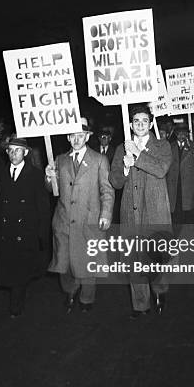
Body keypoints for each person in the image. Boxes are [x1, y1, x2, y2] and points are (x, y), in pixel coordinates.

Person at [109, 105, 172, 318]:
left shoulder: (162, 145)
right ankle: (140, 304)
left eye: (145, 121)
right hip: (130, 212)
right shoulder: (121, 148)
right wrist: (125, 168)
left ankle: (160, 291)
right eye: (136, 121)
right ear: (130, 124)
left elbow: (161, 169)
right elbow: (115, 182)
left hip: (155, 211)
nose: (141, 125)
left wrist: (138, 154)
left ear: (151, 122)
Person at [46, 117, 114, 313]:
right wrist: (48, 176)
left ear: (87, 137)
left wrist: (106, 214)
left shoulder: (99, 160)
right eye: (73, 135)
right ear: (68, 137)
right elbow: (52, 190)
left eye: (80, 135)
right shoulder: (59, 159)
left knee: (88, 262)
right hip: (64, 220)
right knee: (64, 263)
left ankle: (86, 298)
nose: (76, 139)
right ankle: (70, 292)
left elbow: (107, 190)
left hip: (88, 220)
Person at [0, 137, 50, 318]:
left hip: (26, 230)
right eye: (10, 150)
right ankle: (15, 297)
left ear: (25, 152)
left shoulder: (35, 174)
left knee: (20, 270)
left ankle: (16, 304)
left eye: (17, 150)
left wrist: (42, 234)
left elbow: (42, 206)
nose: (13, 154)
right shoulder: (1, 173)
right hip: (6, 229)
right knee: (9, 267)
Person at [166, 122, 194, 228]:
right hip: (174, 186)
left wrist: (190, 144)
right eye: (179, 133)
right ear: (176, 134)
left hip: (188, 187)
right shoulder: (170, 147)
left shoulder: (192, 146)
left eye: (184, 133)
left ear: (187, 134)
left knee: (188, 213)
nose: (182, 136)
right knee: (176, 214)